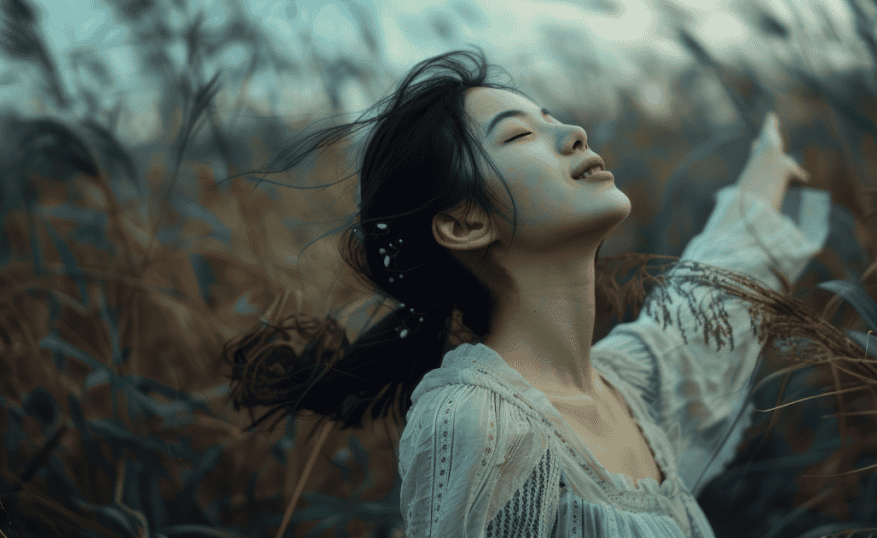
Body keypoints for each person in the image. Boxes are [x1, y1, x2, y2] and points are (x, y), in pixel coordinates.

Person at [222, 46, 831, 537]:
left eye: (552, 118)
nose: (573, 132)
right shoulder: (481, 424)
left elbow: (700, 317)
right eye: (518, 136)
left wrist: (763, 178)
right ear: (465, 223)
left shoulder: (627, 392)